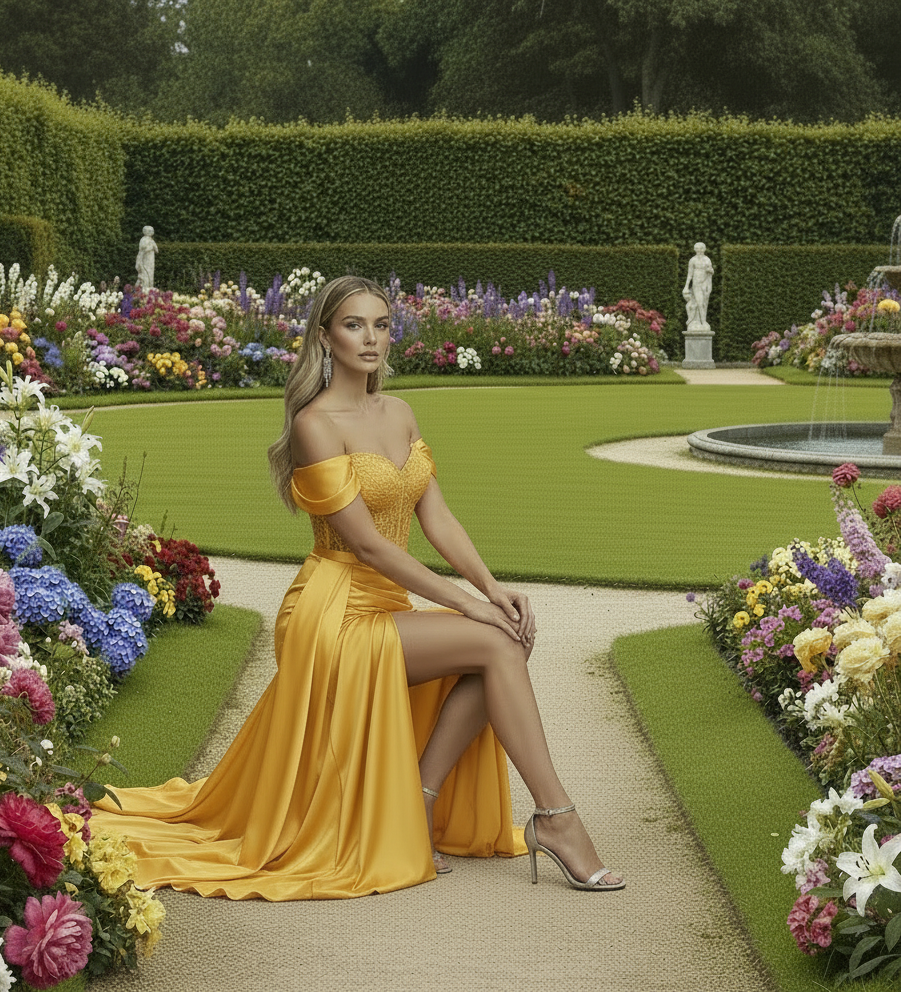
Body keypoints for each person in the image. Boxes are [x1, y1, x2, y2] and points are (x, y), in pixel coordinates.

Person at [89, 275, 623, 899]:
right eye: (353, 325)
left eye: (382, 325)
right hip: (333, 613)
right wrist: (469, 605)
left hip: (385, 602)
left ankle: (419, 806)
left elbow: (436, 516)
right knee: (498, 643)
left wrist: (491, 588)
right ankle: (556, 818)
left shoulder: (399, 412)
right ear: (324, 338)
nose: (371, 339)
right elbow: (368, 546)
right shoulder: (317, 424)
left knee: (504, 634)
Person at [682, 242, 713, 330]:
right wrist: (686, 286)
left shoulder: (707, 259)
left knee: (704, 303)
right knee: (699, 302)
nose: (699, 250)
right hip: (696, 283)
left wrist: (710, 270)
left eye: (701, 248)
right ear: (695, 250)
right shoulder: (693, 260)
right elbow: (690, 274)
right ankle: (703, 322)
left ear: (704, 249)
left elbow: (711, 271)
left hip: (705, 283)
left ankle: (700, 321)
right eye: (697, 249)